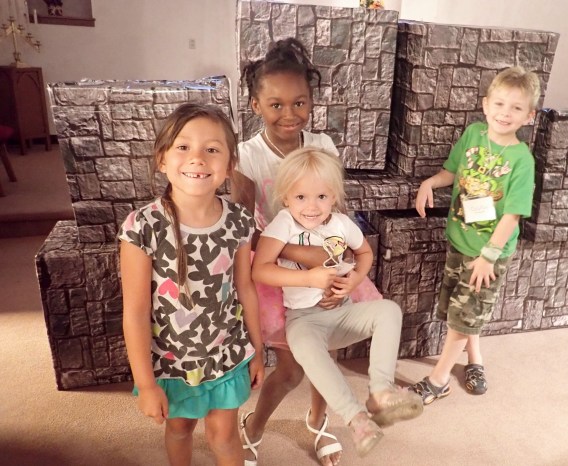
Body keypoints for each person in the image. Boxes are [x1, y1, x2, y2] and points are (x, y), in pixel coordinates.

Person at [234, 37, 381, 466]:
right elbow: (245, 230)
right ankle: (254, 426)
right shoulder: (247, 156)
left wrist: (343, 266)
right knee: (293, 368)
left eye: (299, 103)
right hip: (277, 271)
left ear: (312, 102)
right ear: (256, 105)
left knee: (325, 355)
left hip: (329, 265)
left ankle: (318, 423)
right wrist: (304, 259)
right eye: (275, 104)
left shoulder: (323, 146)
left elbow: (336, 211)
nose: (289, 113)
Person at [253, 147, 423, 457]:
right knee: (307, 350)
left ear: (334, 196)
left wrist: (354, 281)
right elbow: (260, 269)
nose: (312, 206)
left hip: (342, 313)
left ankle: (381, 392)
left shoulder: (341, 223)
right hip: (304, 320)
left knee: (389, 311)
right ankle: (357, 419)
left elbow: (364, 253)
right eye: (301, 197)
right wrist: (309, 278)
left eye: (321, 196)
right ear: (286, 198)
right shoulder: (283, 223)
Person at [119, 103, 265, 466]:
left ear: (229, 166)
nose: (197, 158)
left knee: (225, 436)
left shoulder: (239, 221)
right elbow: (135, 312)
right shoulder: (142, 227)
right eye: (183, 147)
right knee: (180, 429)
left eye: (212, 149)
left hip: (226, 353)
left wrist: (258, 349)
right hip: (172, 363)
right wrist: (146, 384)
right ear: (162, 159)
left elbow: (245, 289)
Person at [410, 66, 540, 403]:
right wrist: (430, 183)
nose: (505, 113)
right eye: (499, 104)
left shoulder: (522, 160)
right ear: (485, 105)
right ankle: (475, 359)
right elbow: (452, 172)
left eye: (516, 108)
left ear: (529, 116)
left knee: (464, 314)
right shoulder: (473, 135)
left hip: (487, 253)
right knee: (461, 309)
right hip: (460, 241)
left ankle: (438, 381)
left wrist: (489, 256)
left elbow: (512, 214)